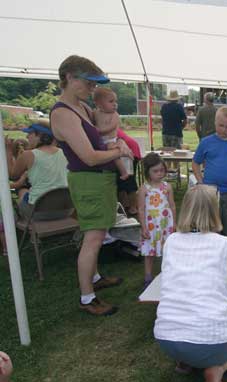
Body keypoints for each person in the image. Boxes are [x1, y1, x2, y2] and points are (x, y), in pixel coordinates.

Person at [50, 55, 132, 316]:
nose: (93, 89)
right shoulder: (63, 113)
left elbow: (99, 140)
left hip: (98, 179)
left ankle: (95, 277)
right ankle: (87, 298)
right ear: (70, 78)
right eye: (89, 83)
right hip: (88, 180)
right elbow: (88, 156)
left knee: (98, 233)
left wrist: (113, 145)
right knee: (93, 238)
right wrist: (118, 152)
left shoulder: (82, 108)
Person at [154, 185, 227, 382]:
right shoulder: (225, 243)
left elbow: (198, 278)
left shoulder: (171, 241)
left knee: (191, 343)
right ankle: (219, 369)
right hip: (208, 340)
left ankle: (185, 361)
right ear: (214, 209)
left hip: (166, 337)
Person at [192, 107, 227, 242]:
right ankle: (212, 256)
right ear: (215, 123)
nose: (224, 129)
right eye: (221, 126)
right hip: (211, 193)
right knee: (211, 228)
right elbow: (195, 163)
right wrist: (201, 182)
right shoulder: (206, 142)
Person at [5, 123, 68, 220]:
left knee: (22, 191)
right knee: (27, 191)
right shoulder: (64, 153)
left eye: (30, 133)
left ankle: (18, 226)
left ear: (39, 136)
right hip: (65, 210)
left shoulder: (28, 155)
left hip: (37, 212)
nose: (27, 136)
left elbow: (12, 176)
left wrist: (8, 150)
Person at [137, 153, 175, 289]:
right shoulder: (144, 189)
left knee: (168, 250)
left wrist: (174, 223)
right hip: (151, 225)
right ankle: (148, 276)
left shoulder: (167, 187)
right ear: (147, 171)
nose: (159, 173)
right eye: (155, 171)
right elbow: (141, 209)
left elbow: (172, 205)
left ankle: (168, 274)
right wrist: (143, 227)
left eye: (162, 170)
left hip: (166, 225)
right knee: (149, 251)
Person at [93, 87, 130, 180]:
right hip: (100, 140)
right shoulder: (96, 113)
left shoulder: (114, 115)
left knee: (115, 157)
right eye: (111, 101)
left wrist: (97, 130)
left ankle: (124, 172)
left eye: (115, 101)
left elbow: (110, 128)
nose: (115, 104)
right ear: (99, 104)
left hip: (110, 139)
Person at [116, 128, 142, 215]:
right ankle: (125, 205)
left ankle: (133, 207)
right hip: (126, 152)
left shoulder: (105, 125)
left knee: (129, 181)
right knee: (122, 181)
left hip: (128, 153)